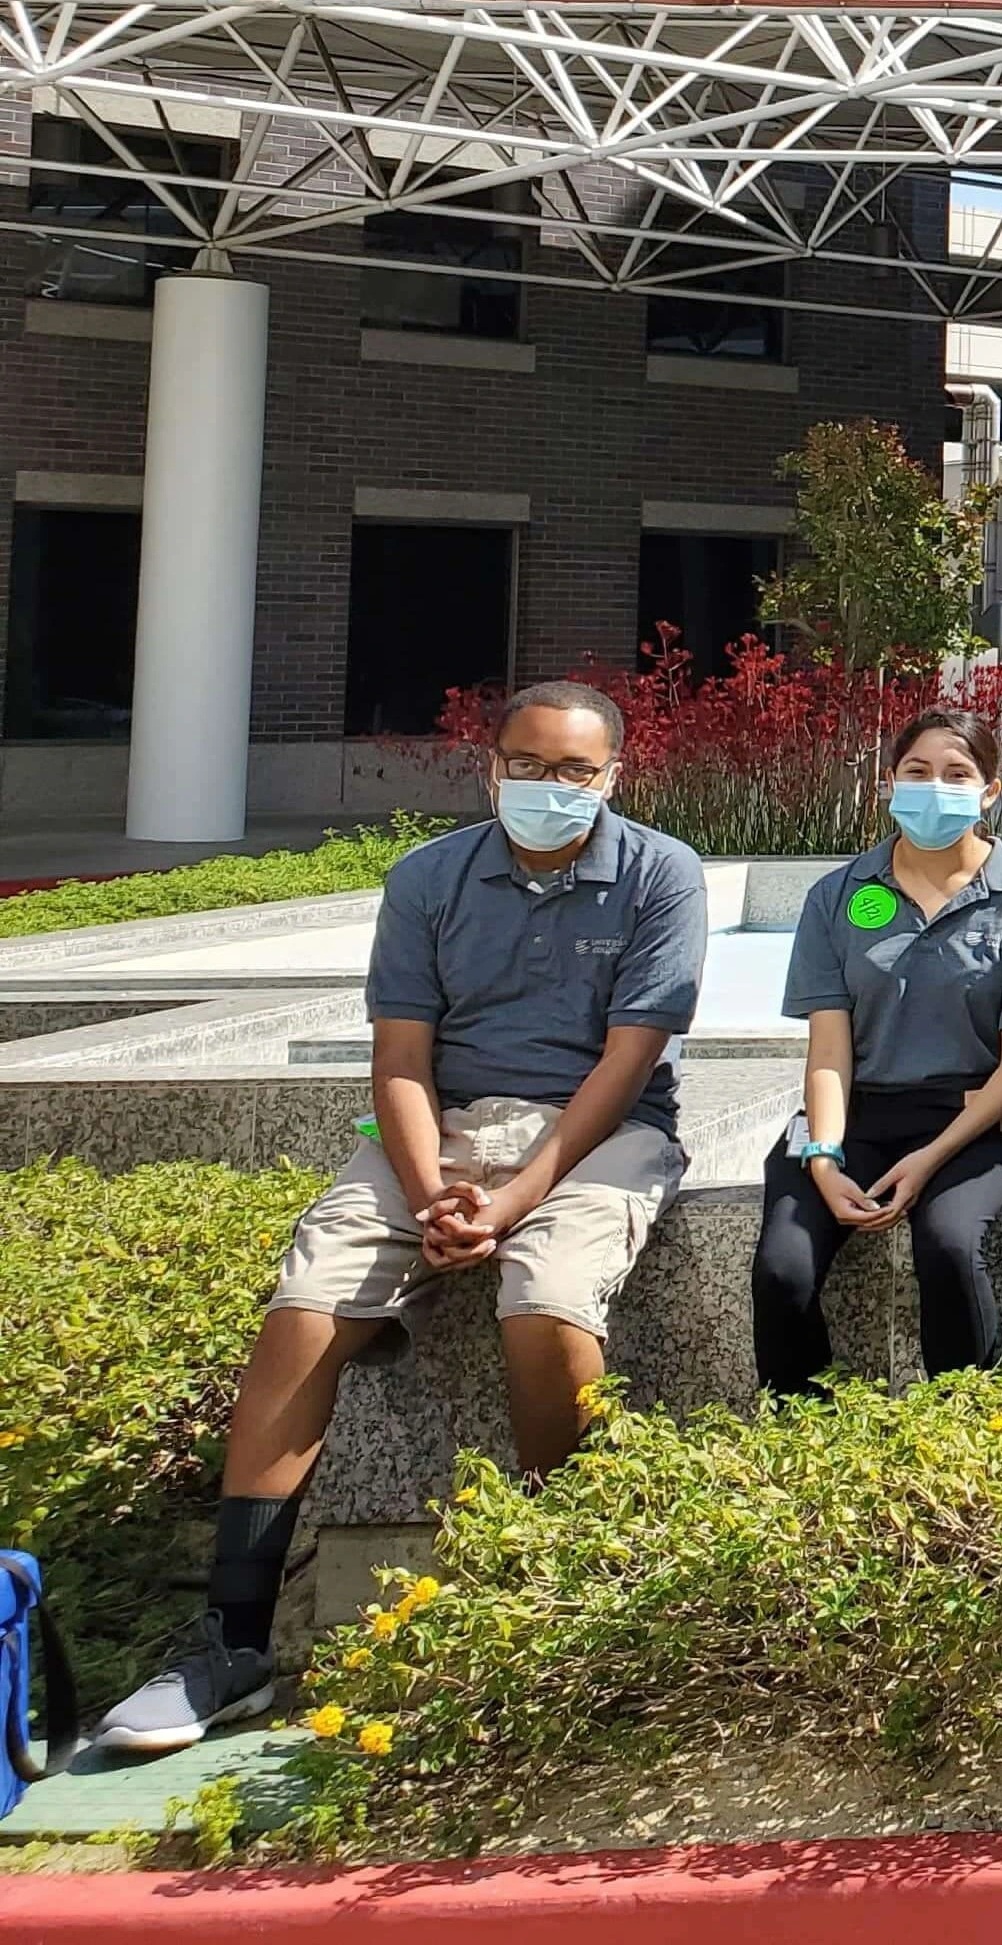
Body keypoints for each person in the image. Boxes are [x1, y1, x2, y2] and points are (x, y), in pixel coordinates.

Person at [98, 682, 705, 1753]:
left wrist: (515, 1202)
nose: (550, 786)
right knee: (309, 1294)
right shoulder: (428, 878)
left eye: (575, 770)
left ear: (615, 775)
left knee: (546, 1298)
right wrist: (431, 1192)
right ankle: (230, 1641)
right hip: (441, 1131)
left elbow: (627, 1066)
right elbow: (401, 1059)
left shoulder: (662, 874)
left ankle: (558, 1597)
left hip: (598, 1133)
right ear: (490, 768)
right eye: (527, 763)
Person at [753, 709, 1002, 1395]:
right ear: (890, 783)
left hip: (969, 1121)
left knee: (949, 1247)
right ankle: (807, 1439)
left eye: (957, 774)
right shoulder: (837, 897)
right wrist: (823, 1156)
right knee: (784, 1266)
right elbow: (829, 1052)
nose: (935, 788)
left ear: (991, 791)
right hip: (854, 1116)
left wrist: (927, 1161)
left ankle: (965, 1430)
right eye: (917, 772)